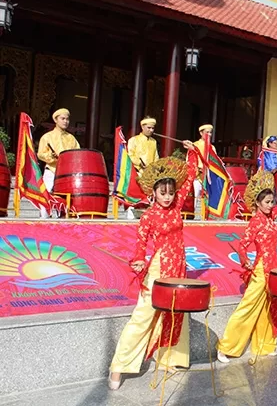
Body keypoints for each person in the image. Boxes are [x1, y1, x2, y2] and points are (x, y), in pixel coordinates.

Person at [108, 140, 197, 390]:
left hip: (178, 266)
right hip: (159, 269)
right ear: (154, 192)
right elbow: (141, 244)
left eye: (171, 192)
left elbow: (191, 174)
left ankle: (169, 359)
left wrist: (192, 151)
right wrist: (139, 260)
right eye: (163, 192)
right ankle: (119, 366)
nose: (167, 197)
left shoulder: (177, 205)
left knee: (176, 312)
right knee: (142, 316)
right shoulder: (148, 216)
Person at [216, 169, 277, 362]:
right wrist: (246, 261)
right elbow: (242, 245)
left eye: (271, 201)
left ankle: (264, 345)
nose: (270, 205)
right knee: (248, 306)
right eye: (267, 202)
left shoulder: (271, 216)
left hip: (274, 268)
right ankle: (225, 347)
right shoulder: (256, 222)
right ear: (258, 203)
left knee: (269, 306)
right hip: (261, 270)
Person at [36, 108, 80, 218]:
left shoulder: (71, 138)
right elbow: (40, 154)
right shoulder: (47, 137)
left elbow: (77, 154)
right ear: (56, 120)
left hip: (67, 173)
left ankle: (63, 218)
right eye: (62, 119)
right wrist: (52, 157)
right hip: (52, 170)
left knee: (66, 197)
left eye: (67, 119)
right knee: (46, 195)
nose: (65, 121)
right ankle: (43, 219)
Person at [191, 124, 217, 199]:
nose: (209, 134)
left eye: (210, 132)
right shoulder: (195, 145)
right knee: (197, 196)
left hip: (208, 176)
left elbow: (214, 162)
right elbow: (191, 160)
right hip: (198, 175)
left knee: (207, 198)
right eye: (207, 132)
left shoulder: (212, 147)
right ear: (201, 133)